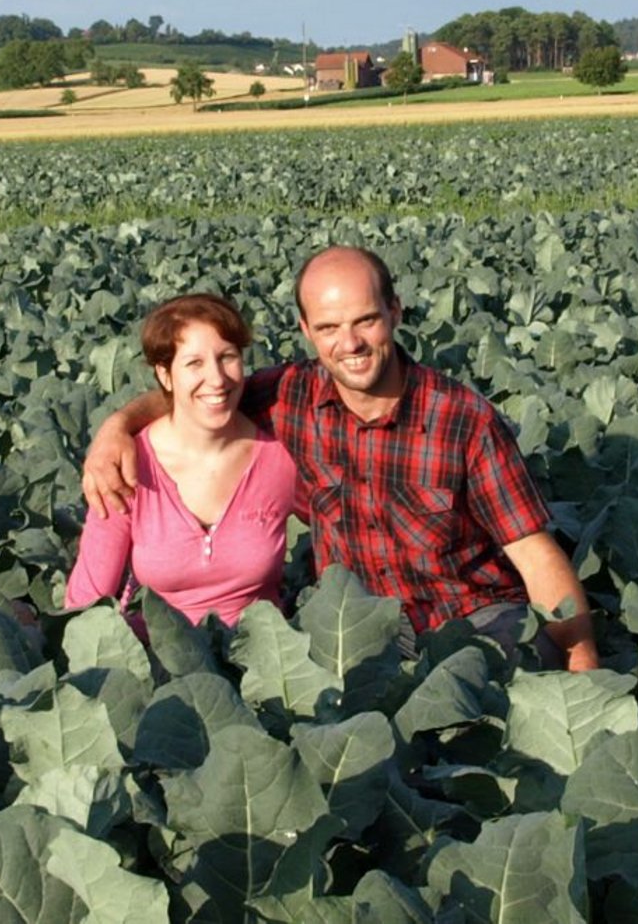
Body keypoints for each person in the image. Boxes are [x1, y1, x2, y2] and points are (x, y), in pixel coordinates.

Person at [84, 247, 598, 670]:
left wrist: (584, 667)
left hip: (473, 622)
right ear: (307, 331)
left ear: (395, 313)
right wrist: (117, 427)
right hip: (359, 632)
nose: (348, 343)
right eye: (329, 328)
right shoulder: (292, 396)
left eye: (366, 321)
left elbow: (535, 555)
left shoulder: (463, 419)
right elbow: (204, 395)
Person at [65, 293, 302, 631]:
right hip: (162, 660)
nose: (217, 379)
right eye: (194, 364)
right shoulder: (129, 465)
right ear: (165, 375)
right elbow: (87, 598)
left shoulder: (281, 457)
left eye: (228, 357)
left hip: (262, 659)